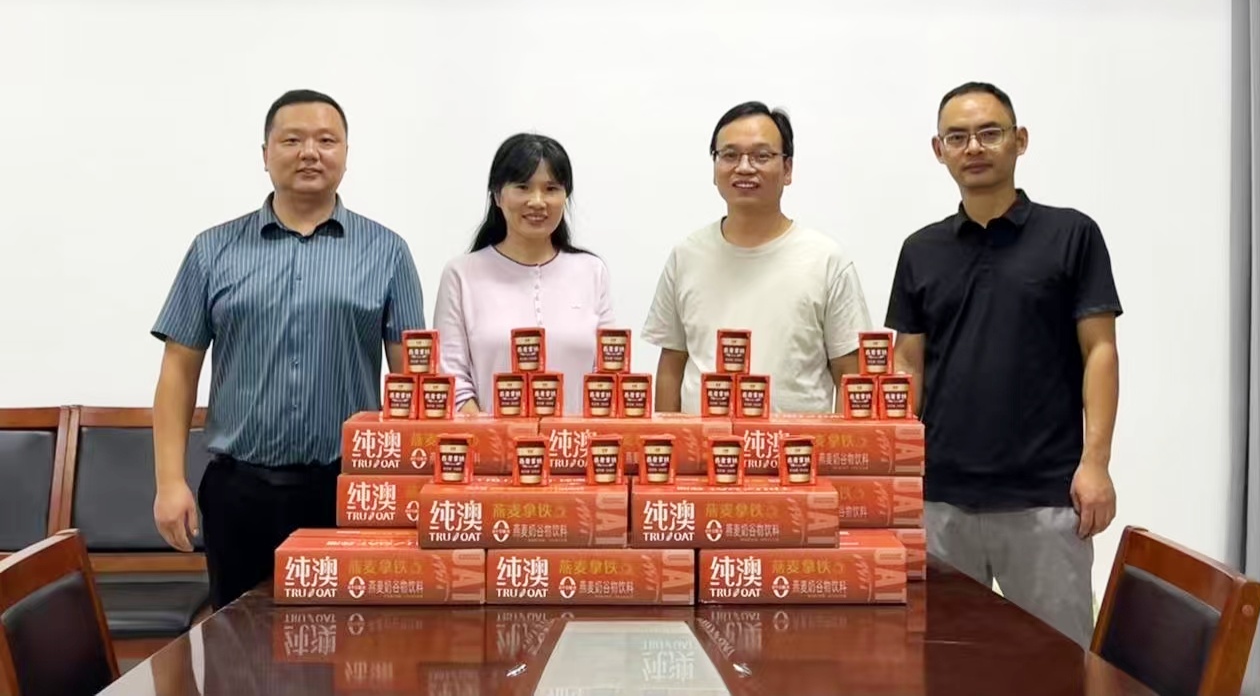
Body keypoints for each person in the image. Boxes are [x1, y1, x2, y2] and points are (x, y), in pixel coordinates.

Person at [150, 89, 426, 610]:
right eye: (292, 140)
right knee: (238, 641)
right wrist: (169, 482)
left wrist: (413, 488)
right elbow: (178, 372)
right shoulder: (213, 250)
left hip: (347, 490)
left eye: (326, 140)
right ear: (265, 154)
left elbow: (413, 381)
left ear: (346, 153)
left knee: (349, 642)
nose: (310, 153)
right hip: (239, 491)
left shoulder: (387, 252)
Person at [884, 81, 1122, 647]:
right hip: (940, 499)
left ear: (1020, 140)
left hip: (1044, 497)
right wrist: (895, 475)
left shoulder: (1072, 235)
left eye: (989, 133)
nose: (974, 147)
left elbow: (1100, 351)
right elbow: (907, 364)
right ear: (938, 150)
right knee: (944, 666)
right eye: (957, 137)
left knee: (1056, 668)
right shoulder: (921, 250)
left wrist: (1096, 464)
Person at [642, 101, 874, 414]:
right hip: (703, 443)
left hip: (797, 444)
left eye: (761, 156)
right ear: (714, 168)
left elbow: (850, 375)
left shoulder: (826, 260)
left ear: (787, 169)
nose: (744, 167)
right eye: (730, 155)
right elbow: (672, 366)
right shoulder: (686, 256)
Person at [432, 132, 614, 414]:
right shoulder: (461, 274)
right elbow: (452, 380)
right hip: (487, 441)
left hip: (575, 441)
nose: (538, 201)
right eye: (523, 187)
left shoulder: (592, 271)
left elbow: (608, 372)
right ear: (497, 195)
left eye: (551, 189)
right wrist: (494, 437)